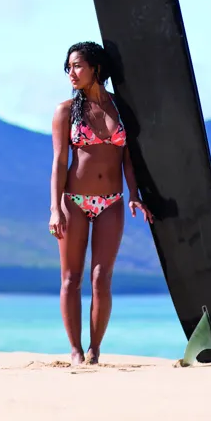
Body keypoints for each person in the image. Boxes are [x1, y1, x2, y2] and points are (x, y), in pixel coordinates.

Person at [48, 41, 153, 365]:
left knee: (101, 278)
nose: (72, 73)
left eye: (77, 65)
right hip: (73, 202)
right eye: (68, 67)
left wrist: (135, 195)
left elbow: (129, 161)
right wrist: (55, 208)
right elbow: (59, 162)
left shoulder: (122, 109)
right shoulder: (65, 111)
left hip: (112, 201)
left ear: (95, 68)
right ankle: (76, 351)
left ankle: (94, 350)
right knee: (71, 278)